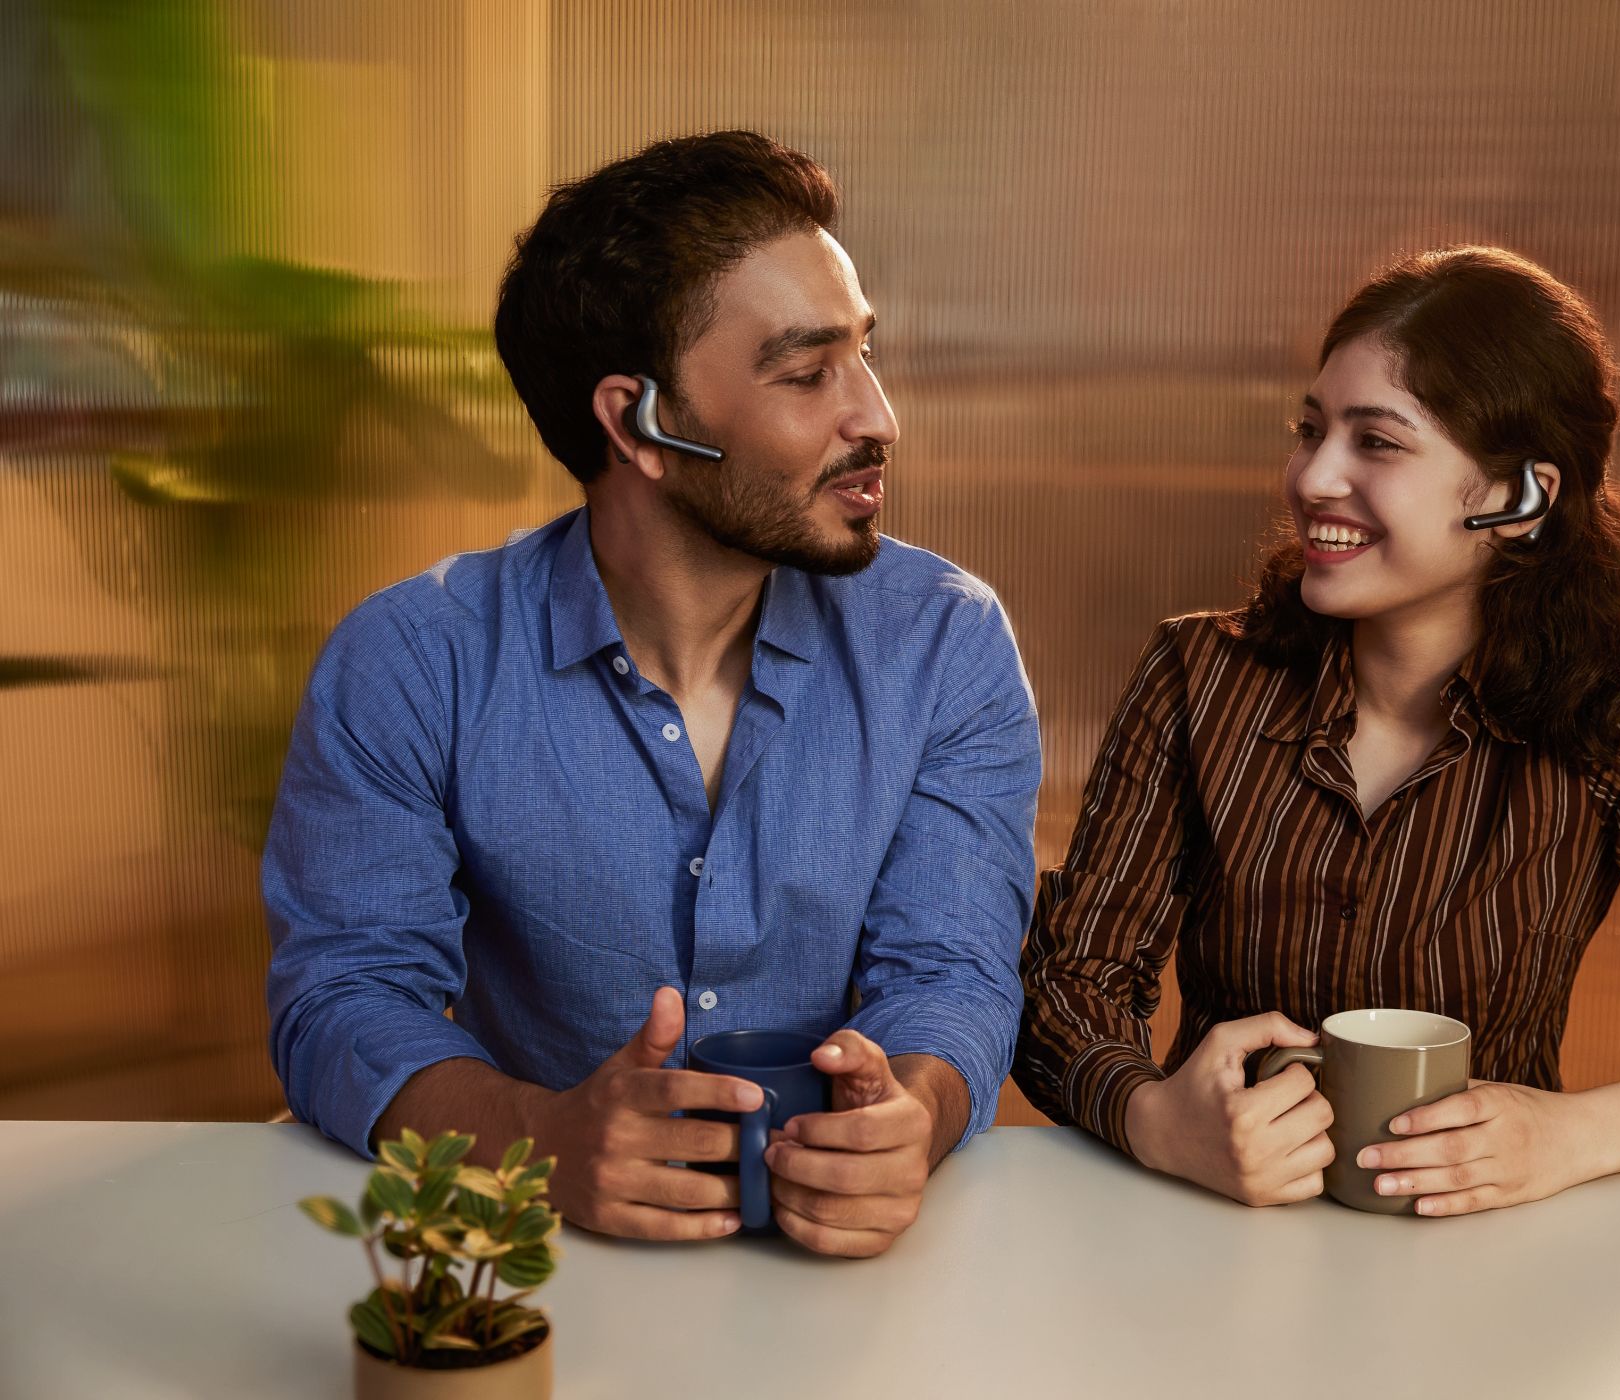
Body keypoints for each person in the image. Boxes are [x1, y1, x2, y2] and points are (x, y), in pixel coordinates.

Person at [265, 131, 1039, 1258]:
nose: (876, 417)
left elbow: (951, 968)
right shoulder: (412, 658)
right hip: (531, 1270)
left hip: (846, 1285)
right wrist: (537, 1137)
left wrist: (911, 1114)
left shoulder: (945, 640)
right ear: (637, 421)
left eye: (865, 354)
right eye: (807, 369)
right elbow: (342, 995)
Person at [1014, 245, 1620, 1216]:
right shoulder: (1196, 677)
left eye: (1376, 441)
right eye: (1311, 428)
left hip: (1483, 1258)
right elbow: (1067, 988)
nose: (1313, 476)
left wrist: (1570, 1134)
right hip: (1215, 1233)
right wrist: (1155, 1118)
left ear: (1521, 498)